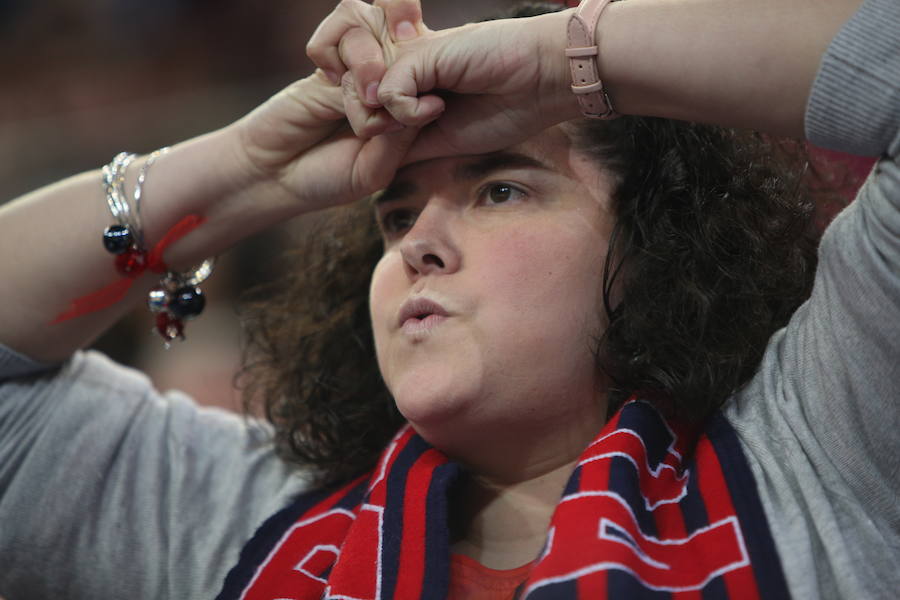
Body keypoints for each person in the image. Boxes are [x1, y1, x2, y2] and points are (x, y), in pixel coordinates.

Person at [0, 0, 896, 597]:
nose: (415, 245)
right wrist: (246, 172)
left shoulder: (825, 449)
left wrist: (567, 55)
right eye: (393, 220)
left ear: (659, 244)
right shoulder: (237, 515)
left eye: (499, 191)